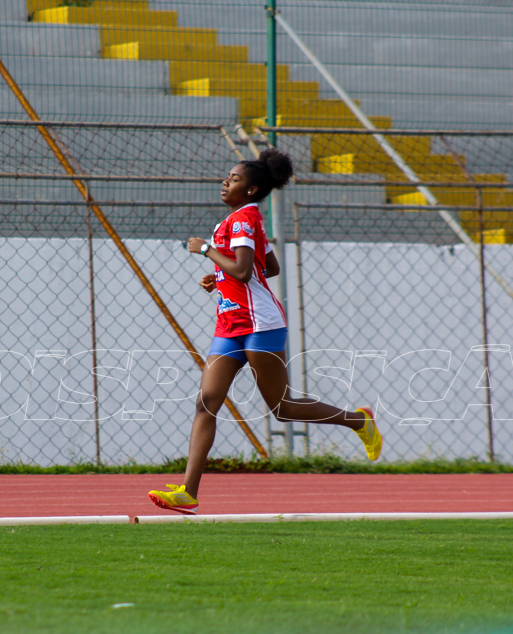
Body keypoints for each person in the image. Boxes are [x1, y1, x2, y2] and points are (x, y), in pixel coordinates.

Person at [148, 149, 382, 515]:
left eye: (235, 179)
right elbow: (266, 267)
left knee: (283, 408)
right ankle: (188, 492)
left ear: (253, 190)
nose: (226, 182)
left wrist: (207, 251)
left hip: (260, 325)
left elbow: (244, 272)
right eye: (227, 177)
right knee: (207, 401)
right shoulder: (241, 220)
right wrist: (220, 278)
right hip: (229, 325)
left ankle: (358, 420)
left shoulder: (242, 221)